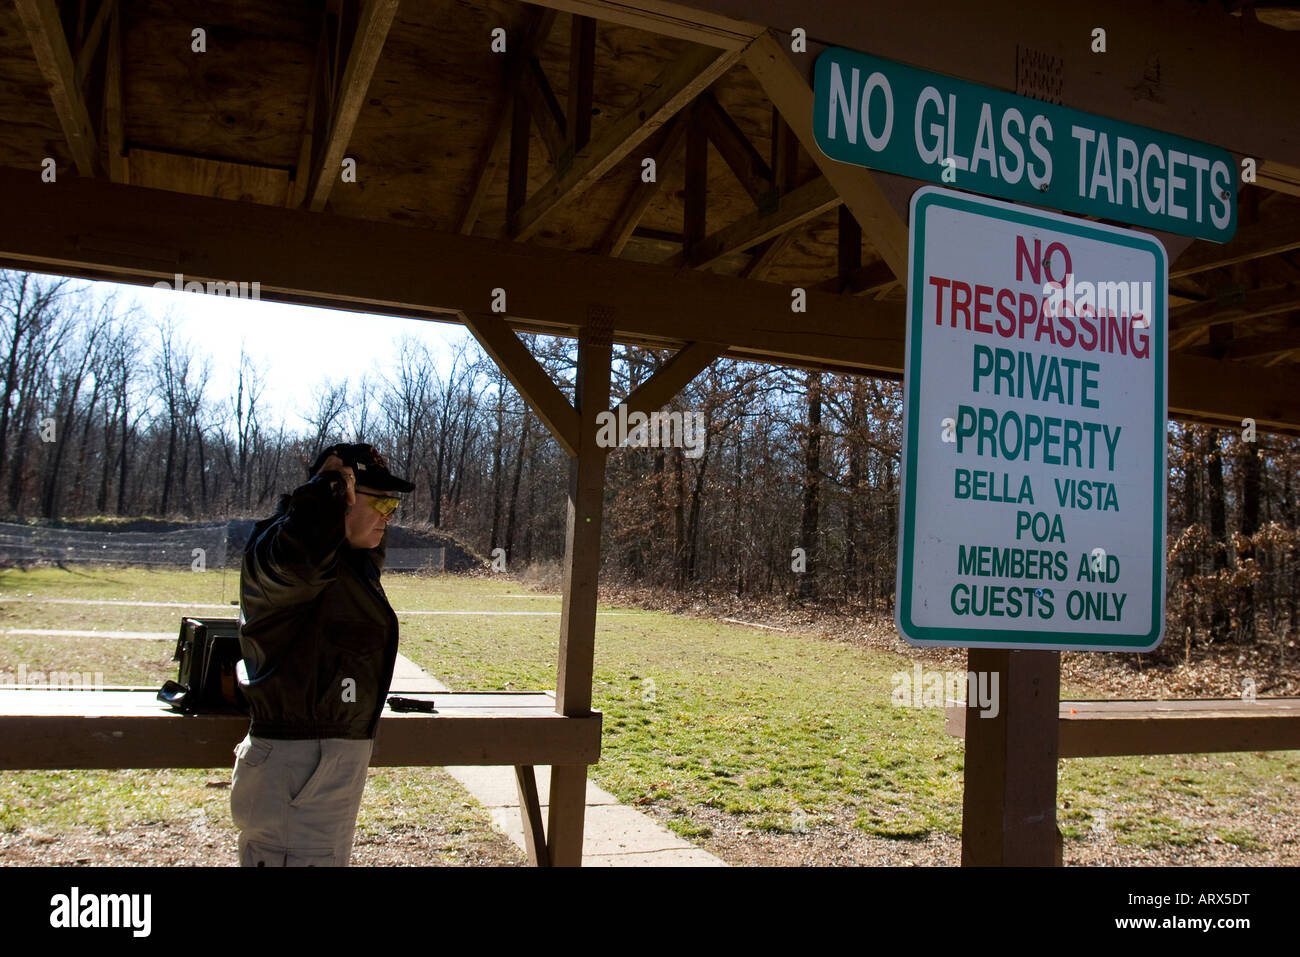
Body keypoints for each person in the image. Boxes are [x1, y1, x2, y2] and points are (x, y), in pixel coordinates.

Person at [229, 442, 413, 866]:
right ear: (336, 499)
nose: (390, 514)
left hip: (320, 766)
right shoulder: (284, 550)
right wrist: (325, 489)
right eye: (381, 500)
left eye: (394, 503)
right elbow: (299, 561)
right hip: (301, 770)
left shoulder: (343, 559)